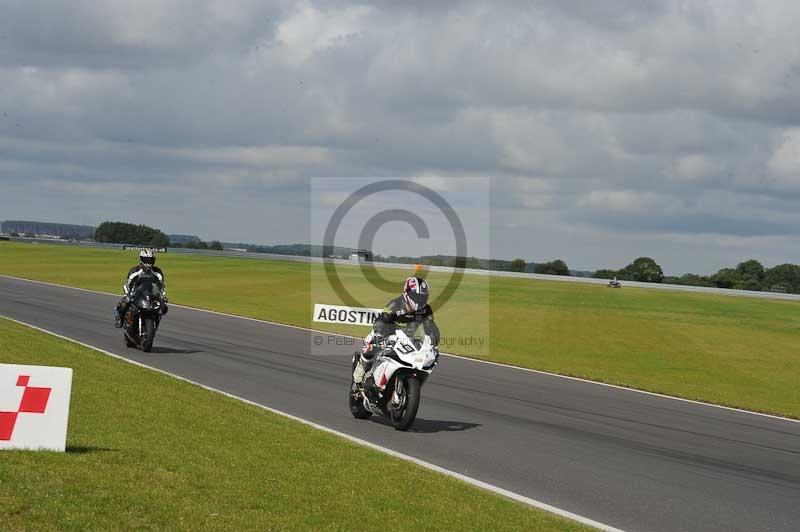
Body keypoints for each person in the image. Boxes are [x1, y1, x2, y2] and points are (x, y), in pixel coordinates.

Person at [352, 276, 440, 385]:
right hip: (388, 335)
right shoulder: (395, 305)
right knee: (371, 342)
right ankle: (361, 367)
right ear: (407, 293)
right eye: (416, 296)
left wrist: (434, 344)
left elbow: (430, 326)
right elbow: (381, 321)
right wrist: (379, 335)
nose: (419, 300)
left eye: (422, 298)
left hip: (407, 340)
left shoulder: (426, 310)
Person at [114, 249, 168, 327]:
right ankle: (120, 319)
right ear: (141, 259)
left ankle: (154, 324)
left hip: (150, 294)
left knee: (164, 308)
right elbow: (127, 284)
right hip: (136, 294)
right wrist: (127, 295)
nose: (149, 263)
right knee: (125, 304)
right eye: (146, 260)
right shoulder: (135, 271)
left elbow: (161, 286)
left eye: (151, 260)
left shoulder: (157, 272)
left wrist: (162, 297)